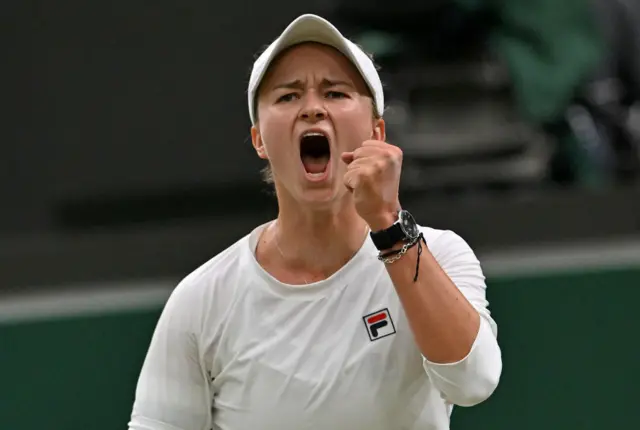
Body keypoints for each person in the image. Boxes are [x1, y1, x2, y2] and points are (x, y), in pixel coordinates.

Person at [128, 13, 502, 430]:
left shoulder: (442, 255)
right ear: (259, 140)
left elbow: (473, 382)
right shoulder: (202, 299)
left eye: (335, 93)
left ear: (377, 132)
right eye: (288, 97)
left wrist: (390, 228)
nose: (312, 109)